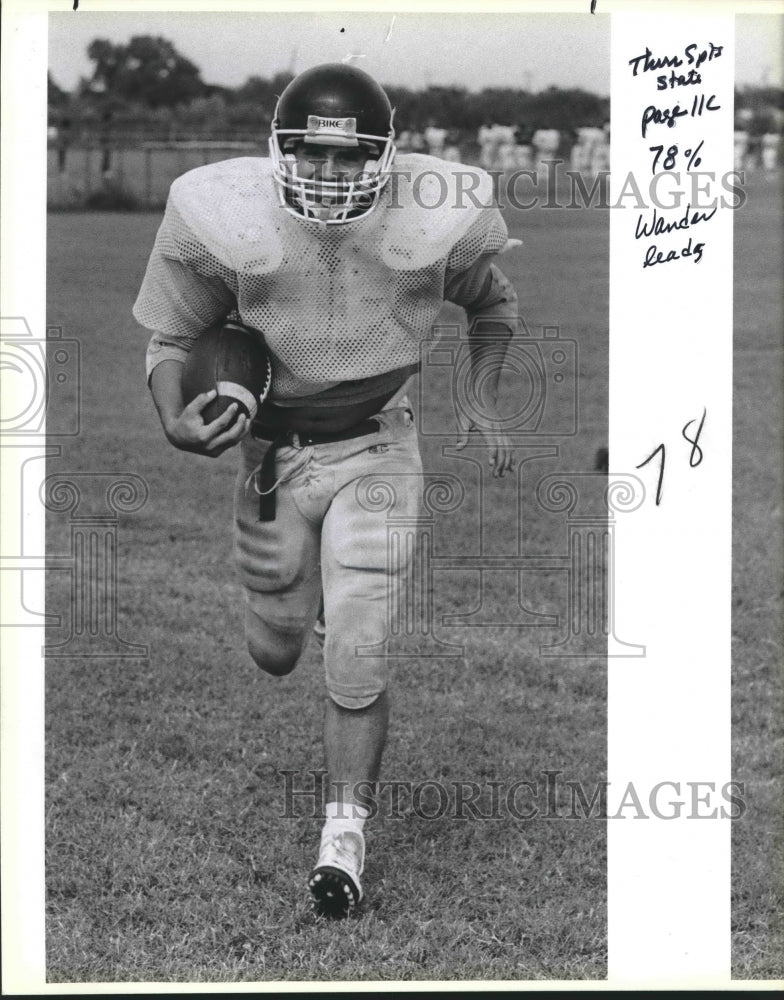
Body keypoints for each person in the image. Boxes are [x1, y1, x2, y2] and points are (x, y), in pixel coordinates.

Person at [133, 62, 518, 919]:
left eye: (352, 159)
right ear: (280, 152)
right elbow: (169, 338)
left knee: (358, 640)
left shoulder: (432, 222)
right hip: (274, 458)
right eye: (314, 155)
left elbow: (495, 306)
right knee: (275, 653)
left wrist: (483, 401)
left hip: (380, 443)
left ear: (386, 157)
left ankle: (342, 839)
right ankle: (301, 595)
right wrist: (172, 415)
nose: (333, 175)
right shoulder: (224, 220)